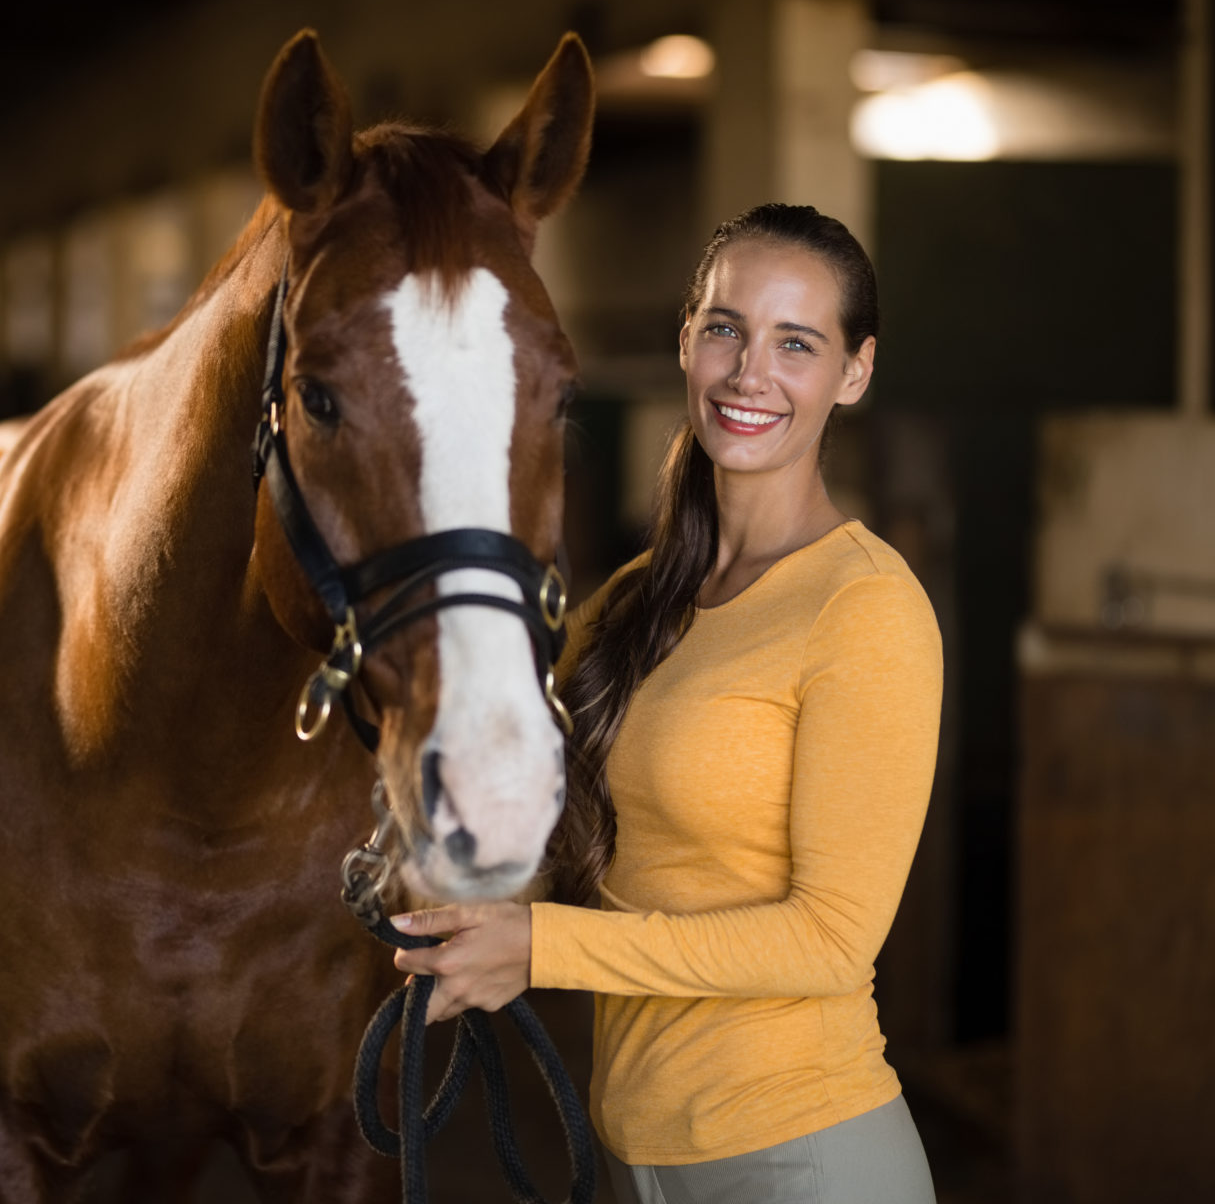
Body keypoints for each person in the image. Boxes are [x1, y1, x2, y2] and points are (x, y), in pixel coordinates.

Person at [391, 203, 943, 1204]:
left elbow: (828, 938)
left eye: (797, 344)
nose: (749, 373)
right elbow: (524, 798)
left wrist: (542, 946)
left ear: (853, 373)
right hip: (638, 1154)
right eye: (726, 328)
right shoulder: (639, 598)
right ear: (687, 339)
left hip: (802, 1156)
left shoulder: (865, 609)